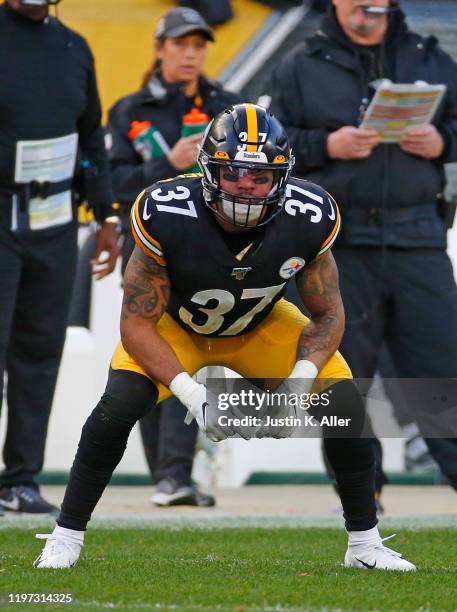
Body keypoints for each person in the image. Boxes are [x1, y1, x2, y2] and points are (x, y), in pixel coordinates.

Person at [33, 103, 415, 571]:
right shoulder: (166, 209)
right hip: (180, 326)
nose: (246, 187)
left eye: (260, 177)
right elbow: (136, 322)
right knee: (117, 404)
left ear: (283, 177)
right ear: (209, 168)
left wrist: (300, 378)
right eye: (233, 172)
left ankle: (364, 544)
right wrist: (192, 395)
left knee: (344, 406)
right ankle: (66, 534)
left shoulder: (308, 213)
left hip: (262, 324)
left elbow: (329, 314)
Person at [268, 0, 457, 495]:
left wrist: (443, 141)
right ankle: (360, 493)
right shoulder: (300, 63)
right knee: (341, 375)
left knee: (443, 367)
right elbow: (273, 146)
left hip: (418, 236)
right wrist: (327, 147)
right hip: (338, 243)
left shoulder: (429, 56)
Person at [106, 6, 240, 506]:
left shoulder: (226, 106)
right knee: (148, 356)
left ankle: (175, 476)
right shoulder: (127, 110)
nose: (190, 54)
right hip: (144, 247)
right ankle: (166, 476)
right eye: (181, 44)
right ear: (160, 47)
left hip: (209, 251)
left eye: (198, 45)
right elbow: (113, 185)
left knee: (198, 357)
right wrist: (169, 164)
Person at [0, 0, 119, 515]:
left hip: (55, 219)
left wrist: (108, 215)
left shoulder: (73, 46)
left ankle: (18, 479)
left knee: (39, 352)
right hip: (2, 208)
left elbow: (91, 134)